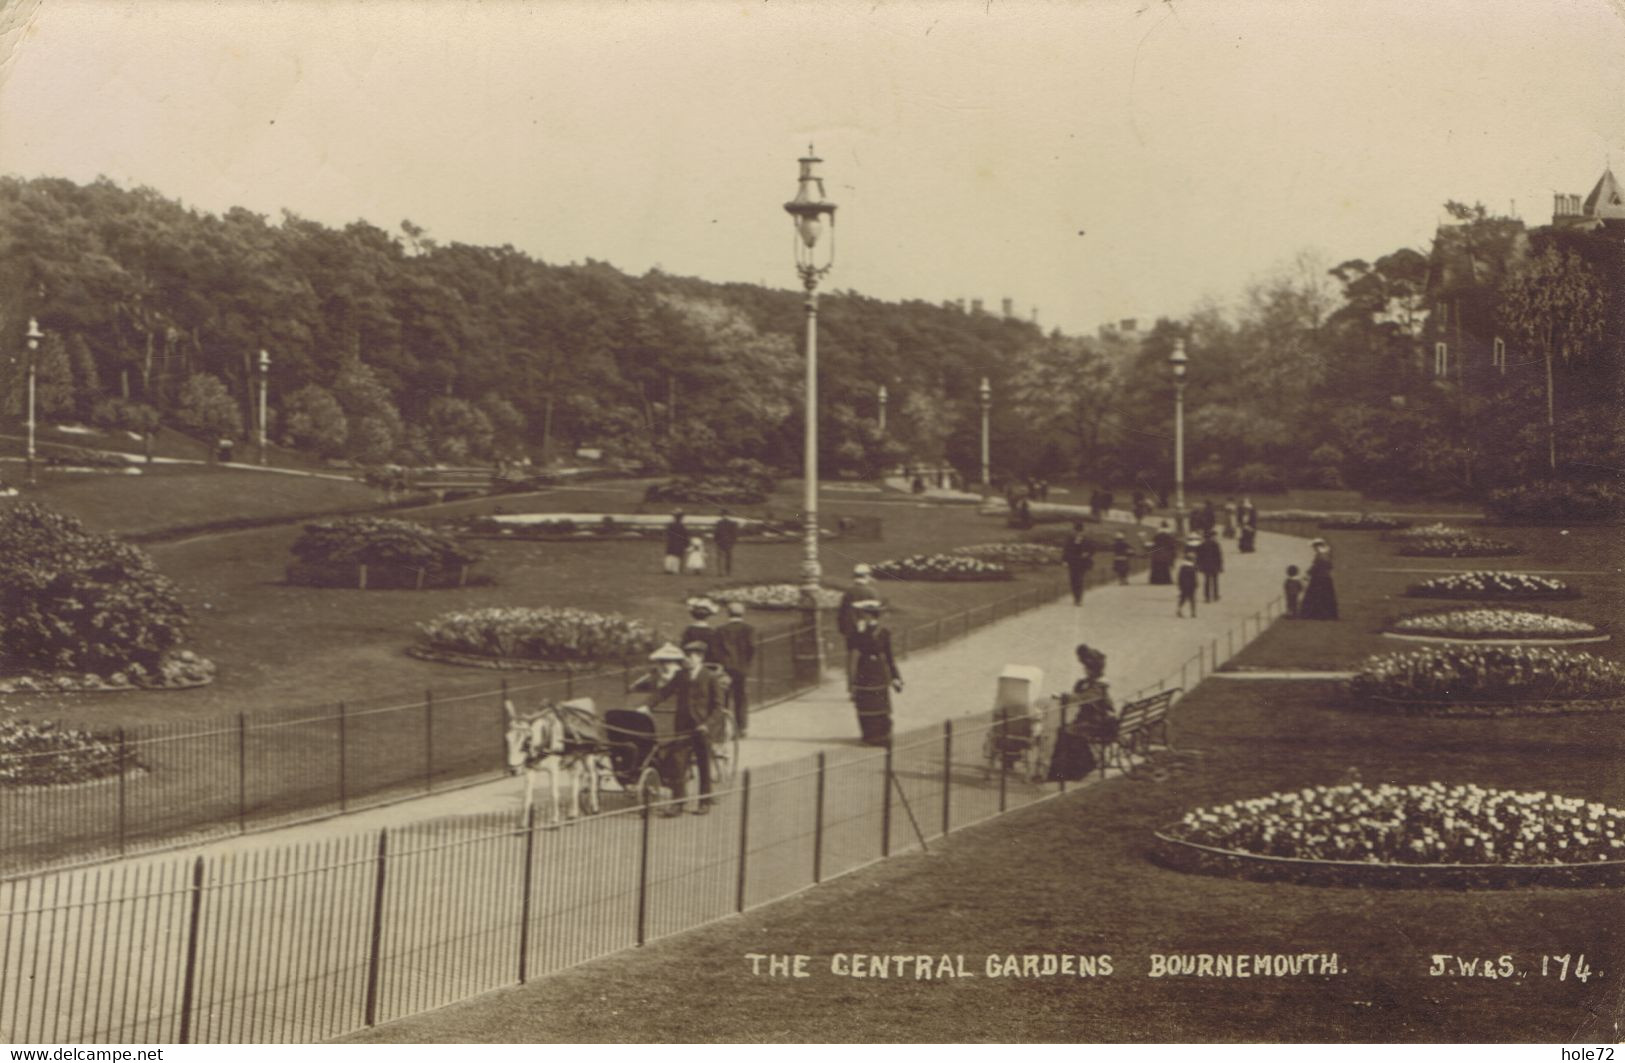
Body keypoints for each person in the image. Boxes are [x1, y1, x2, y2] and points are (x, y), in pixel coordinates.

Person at [1047, 644, 1116, 781]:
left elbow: (1081, 698)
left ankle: (1075, 770)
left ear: (1092, 670)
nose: (1085, 670)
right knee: (1066, 730)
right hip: (1096, 722)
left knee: (1066, 732)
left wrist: (1064, 697)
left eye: (1087, 668)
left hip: (1098, 725)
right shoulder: (1096, 683)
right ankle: (1070, 770)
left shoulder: (1098, 687)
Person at [846, 601, 902, 746]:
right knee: (870, 703)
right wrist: (895, 677)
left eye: (863, 613)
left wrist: (896, 677)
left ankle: (878, 735)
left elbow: (888, 656)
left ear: (869, 615)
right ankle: (874, 735)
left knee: (875, 704)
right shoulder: (867, 632)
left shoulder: (875, 633)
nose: (861, 616)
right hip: (872, 671)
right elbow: (889, 657)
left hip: (870, 671)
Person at [712, 601, 756, 737]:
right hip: (741, 668)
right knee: (741, 698)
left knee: (723, 698)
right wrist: (746, 662)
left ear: (728, 613)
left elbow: (716, 651)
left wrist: (722, 663)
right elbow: (752, 647)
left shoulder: (720, 630)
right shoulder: (749, 629)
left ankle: (722, 729)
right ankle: (741, 729)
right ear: (742, 613)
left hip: (725, 668)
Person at [837, 563, 880, 658]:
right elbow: (876, 613)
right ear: (866, 576)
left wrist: (843, 629)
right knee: (866, 654)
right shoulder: (872, 592)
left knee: (851, 654)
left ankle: (851, 672)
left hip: (851, 629)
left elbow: (841, 613)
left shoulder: (848, 592)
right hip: (867, 629)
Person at [1299, 539, 1340, 620]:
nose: (1313, 549)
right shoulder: (1327, 555)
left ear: (1317, 546)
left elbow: (1315, 567)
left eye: (1314, 547)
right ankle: (1327, 615)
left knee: (1314, 596)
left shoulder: (1319, 556)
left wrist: (1307, 574)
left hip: (1317, 579)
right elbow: (1330, 567)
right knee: (1327, 596)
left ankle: (1312, 614)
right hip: (1327, 578)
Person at [1060, 521, 1096, 606]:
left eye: (1079, 531)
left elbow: (1093, 549)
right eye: (1076, 531)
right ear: (1074, 531)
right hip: (1072, 562)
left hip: (1082, 563)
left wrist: (1087, 553)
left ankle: (1078, 599)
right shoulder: (1070, 539)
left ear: (1082, 531)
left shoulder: (1086, 539)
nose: (1078, 533)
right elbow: (1065, 550)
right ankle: (1076, 597)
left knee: (1079, 580)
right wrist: (1064, 561)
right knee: (1073, 580)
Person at [1196, 528, 1224, 603]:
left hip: (1206, 566)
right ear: (1212, 536)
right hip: (1214, 565)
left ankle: (1207, 597)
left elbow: (1199, 557)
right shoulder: (1216, 544)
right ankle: (1215, 595)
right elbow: (1219, 556)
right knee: (1215, 581)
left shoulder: (1202, 545)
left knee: (1207, 581)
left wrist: (1199, 566)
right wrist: (1220, 566)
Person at [1176, 541, 1200, 617]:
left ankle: (1179, 610)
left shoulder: (1183, 567)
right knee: (1192, 599)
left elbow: (1179, 577)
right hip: (1191, 586)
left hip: (1184, 586)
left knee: (1183, 598)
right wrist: (1196, 584)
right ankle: (1193, 612)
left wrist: (1179, 585)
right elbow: (1194, 577)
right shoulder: (1192, 568)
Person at [713, 509, 740, 576]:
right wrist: (717, 541)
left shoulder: (729, 523)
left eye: (726, 515)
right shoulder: (720, 523)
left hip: (726, 543)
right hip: (723, 543)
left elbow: (734, 535)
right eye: (724, 515)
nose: (725, 516)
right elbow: (716, 533)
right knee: (723, 558)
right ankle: (722, 572)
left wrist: (732, 543)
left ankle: (725, 572)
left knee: (725, 558)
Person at [663, 510, 689, 575]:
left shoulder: (671, 525)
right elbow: (685, 535)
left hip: (671, 542)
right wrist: (686, 543)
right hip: (679, 543)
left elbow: (668, 533)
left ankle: (668, 569)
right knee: (677, 556)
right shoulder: (682, 526)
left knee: (670, 555)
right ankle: (676, 570)